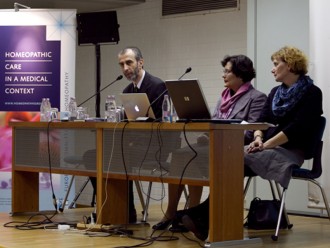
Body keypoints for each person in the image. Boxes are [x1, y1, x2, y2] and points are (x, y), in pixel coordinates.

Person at [180, 46, 323, 241]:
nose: (272, 69)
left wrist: (266, 144)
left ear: (289, 65)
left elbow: (297, 128)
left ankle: (201, 216)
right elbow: (261, 122)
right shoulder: (276, 93)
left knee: (235, 158)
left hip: (291, 150)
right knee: (230, 158)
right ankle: (207, 219)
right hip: (266, 146)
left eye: (275, 64)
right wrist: (257, 138)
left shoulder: (313, 93)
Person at [152, 55, 267, 232]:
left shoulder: (257, 98)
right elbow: (214, 122)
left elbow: (250, 131)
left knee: (192, 154)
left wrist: (218, 135)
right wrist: (206, 134)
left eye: (227, 71)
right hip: (214, 144)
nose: (223, 75)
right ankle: (173, 212)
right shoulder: (224, 97)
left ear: (240, 74)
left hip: (236, 148)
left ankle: (190, 214)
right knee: (181, 154)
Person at [118, 46, 167, 222]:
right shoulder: (127, 91)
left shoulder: (157, 85)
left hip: (156, 147)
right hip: (134, 146)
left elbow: (163, 122)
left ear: (141, 62)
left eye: (129, 63)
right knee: (93, 156)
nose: (125, 68)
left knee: (118, 158)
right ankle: (116, 208)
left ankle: (126, 211)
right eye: (122, 64)